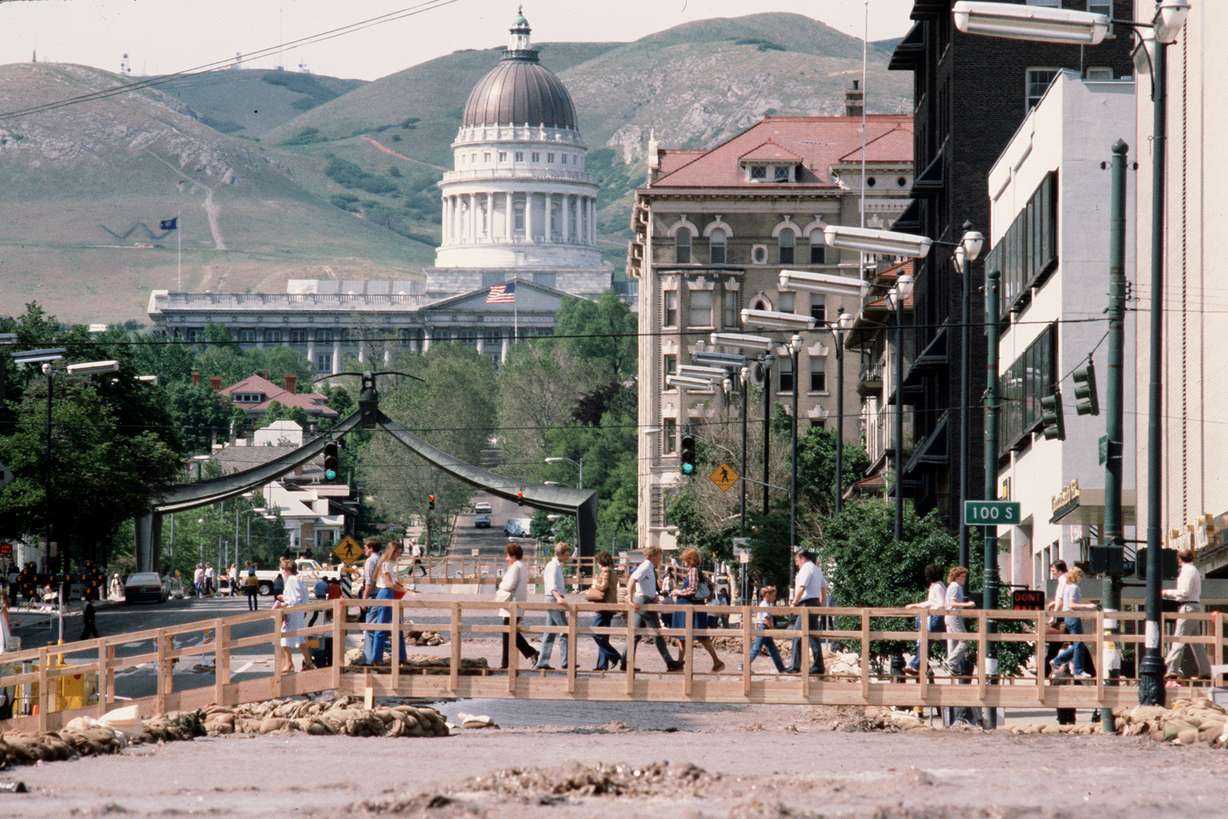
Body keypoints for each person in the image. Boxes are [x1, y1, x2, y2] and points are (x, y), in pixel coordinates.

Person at [625, 545, 683, 672]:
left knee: (635, 634)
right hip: (644, 601)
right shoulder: (646, 566)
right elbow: (632, 580)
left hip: (645, 600)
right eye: (659, 556)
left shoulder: (649, 568)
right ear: (653, 556)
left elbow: (646, 585)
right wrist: (629, 598)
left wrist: (654, 596)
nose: (660, 559)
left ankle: (625, 662)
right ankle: (669, 662)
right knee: (657, 633)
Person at [670, 548, 724, 672]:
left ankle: (716, 661)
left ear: (689, 560)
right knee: (685, 637)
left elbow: (692, 589)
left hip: (690, 608)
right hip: (689, 607)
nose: (683, 561)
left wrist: (678, 591)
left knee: (699, 636)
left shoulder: (693, 571)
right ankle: (680, 663)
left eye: (685, 559)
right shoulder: (696, 571)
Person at [1163, 547, 1211, 682]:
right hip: (1195, 606)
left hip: (1187, 607)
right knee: (1196, 642)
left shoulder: (1186, 571)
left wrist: (1167, 592)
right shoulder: (1194, 570)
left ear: (1179, 559)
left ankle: (1171, 670)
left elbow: (1184, 592)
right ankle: (1205, 670)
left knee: (1179, 639)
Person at [363, 543, 408, 666]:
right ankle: (376, 658)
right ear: (392, 552)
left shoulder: (392, 564)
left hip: (391, 592)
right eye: (398, 552)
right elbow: (388, 583)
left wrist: (402, 587)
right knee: (382, 627)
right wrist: (402, 589)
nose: (399, 554)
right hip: (386, 593)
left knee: (397, 627)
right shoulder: (386, 564)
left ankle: (401, 657)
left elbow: (394, 582)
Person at [496, 542, 539, 669]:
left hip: (512, 606)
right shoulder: (523, 566)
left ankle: (530, 652)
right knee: (509, 634)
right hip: (517, 605)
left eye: (508, 556)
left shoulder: (515, 567)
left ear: (513, 556)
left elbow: (510, 586)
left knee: (509, 634)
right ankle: (506, 662)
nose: (506, 558)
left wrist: (500, 585)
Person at [785, 550, 826, 675]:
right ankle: (819, 666)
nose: (797, 564)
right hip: (815, 603)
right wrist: (821, 605)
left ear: (802, 558)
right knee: (813, 636)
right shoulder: (817, 569)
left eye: (797, 561)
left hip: (806, 604)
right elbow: (823, 588)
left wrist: (794, 603)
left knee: (797, 635)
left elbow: (802, 588)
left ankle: (795, 666)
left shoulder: (806, 569)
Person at [1051, 566, 1096, 678]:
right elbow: (1071, 605)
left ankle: (1058, 661)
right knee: (1079, 643)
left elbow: (1064, 602)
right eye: (1081, 576)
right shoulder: (1074, 587)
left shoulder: (1067, 587)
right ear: (1077, 576)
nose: (1081, 578)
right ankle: (1078, 670)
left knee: (1078, 644)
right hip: (1073, 616)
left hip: (1068, 616)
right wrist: (1088, 606)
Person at [535, 542, 572, 671]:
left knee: (550, 632)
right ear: (561, 554)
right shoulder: (553, 566)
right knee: (565, 630)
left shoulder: (556, 566)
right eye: (567, 552)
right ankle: (566, 661)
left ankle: (542, 661)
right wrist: (558, 598)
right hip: (553, 599)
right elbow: (551, 585)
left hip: (552, 599)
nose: (568, 555)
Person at [274, 558, 315, 673]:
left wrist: (283, 601)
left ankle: (289, 663)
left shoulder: (291, 580)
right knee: (299, 638)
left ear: (287, 570)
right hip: (298, 612)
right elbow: (302, 597)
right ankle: (308, 662)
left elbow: (293, 599)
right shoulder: (297, 579)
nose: (282, 572)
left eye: (282, 569)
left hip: (292, 613)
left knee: (283, 637)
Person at [905, 564, 947, 675]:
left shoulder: (938, 586)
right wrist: (917, 605)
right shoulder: (935, 586)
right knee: (945, 644)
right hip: (935, 618)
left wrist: (924, 608)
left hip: (937, 618)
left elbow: (941, 603)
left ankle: (916, 665)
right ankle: (918, 666)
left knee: (926, 641)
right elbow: (931, 602)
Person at [585, 551, 623, 671]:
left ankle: (615, 656)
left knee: (595, 632)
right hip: (610, 606)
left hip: (603, 606)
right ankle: (602, 665)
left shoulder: (605, 571)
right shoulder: (613, 572)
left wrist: (595, 584)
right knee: (603, 636)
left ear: (601, 561)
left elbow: (604, 586)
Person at [944, 566, 976, 672]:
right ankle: (951, 662)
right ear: (956, 577)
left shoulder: (954, 586)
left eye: (965, 577)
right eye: (962, 577)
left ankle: (951, 665)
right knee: (965, 641)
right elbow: (952, 603)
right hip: (954, 616)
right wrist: (967, 604)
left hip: (950, 616)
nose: (964, 579)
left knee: (952, 642)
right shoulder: (955, 586)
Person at [748, 586, 786, 673]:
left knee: (773, 650)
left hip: (764, 628)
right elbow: (766, 620)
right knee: (756, 649)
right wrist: (773, 630)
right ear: (767, 595)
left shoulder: (765, 604)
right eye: (773, 595)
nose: (775, 597)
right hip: (763, 628)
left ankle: (781, 668)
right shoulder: (764, 605)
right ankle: (743, 665)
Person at [359, 537, 383, 660]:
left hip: (373, 595)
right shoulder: (381, 559)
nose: (364, 549)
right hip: (382, 594)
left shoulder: (370, 561)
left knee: (370, 627)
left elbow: (369, 582)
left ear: (371, 548)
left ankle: (368, 659)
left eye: (365, 547)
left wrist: (364, 598)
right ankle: (376, 657)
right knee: (380, 627)